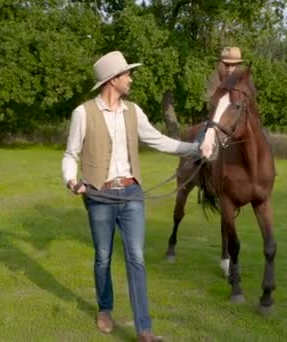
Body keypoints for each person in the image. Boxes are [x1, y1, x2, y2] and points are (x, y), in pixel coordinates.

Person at [62, 51, 198, 342]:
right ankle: (104, 309)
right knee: (103, 256)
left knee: (136, 257)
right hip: (100, 194)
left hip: (132, 192)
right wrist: (72, 181)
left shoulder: (134, 112)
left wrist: (194, 149)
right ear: (113, 80)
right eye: (126, 74)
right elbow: (70, 154)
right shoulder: (83, 113)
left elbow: (159, 141)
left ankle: (144, 330)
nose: (130, 79)